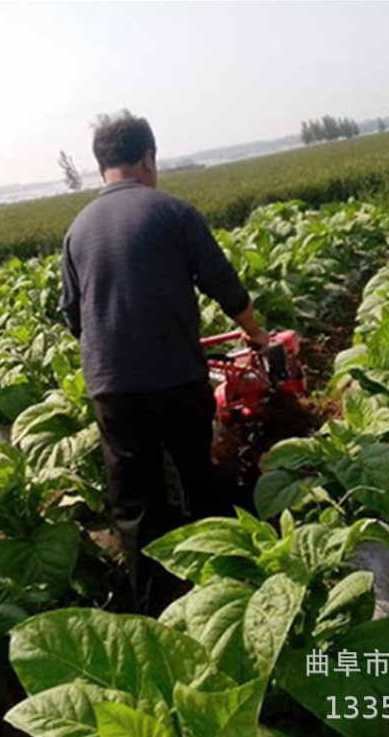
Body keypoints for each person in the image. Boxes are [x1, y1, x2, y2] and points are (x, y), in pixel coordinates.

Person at [59, 111, 268, 607]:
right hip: (177, 379)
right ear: (149, 157)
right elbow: (222, 283)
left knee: (137, 506)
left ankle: (157, 614)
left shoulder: (76, 231)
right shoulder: (174, 213)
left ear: (101, 166)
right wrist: (255, 334)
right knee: (200, 478)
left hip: (112, 390)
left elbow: (73, 317)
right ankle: (225, 591)